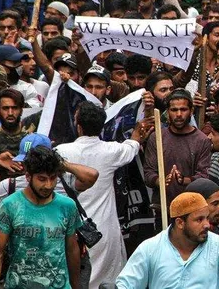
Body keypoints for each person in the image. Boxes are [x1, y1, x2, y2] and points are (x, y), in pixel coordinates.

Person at [56, 101, 153, 283]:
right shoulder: (112, 151)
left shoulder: (60, 152)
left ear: (78, 126)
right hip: (103, 231)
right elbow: (132, 146)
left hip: (68, 230)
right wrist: (138, 131)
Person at [0, 146, 83, 289]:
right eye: (42, 179)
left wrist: (76, 286)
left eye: (53, 178)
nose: (48, 185)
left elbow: (72, 250)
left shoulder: (67, 206)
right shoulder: (10, 205)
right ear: (28, 176)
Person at [116, 192, 219, 289]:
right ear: (180, 223)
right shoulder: (150, 249)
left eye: (207, 218)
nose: (207, 224)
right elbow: (125, 284)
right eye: (199, 219)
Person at [142, 89, 212, 209]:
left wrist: (183, 180)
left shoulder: (202, 140)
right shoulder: (157, 137)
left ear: (191, 111)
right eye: (174, 110)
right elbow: (148, 172)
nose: (179, 114)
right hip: (162, 207)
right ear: (168, 112)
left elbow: (203, 176)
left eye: (183, 109)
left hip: (191, 207)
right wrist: (161, 181)